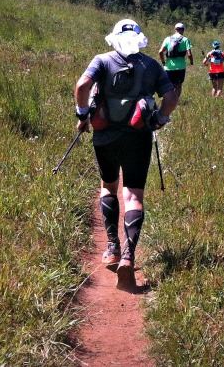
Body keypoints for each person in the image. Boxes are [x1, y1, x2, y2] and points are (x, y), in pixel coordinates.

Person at [74, 19, 177, 290]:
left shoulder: (102, 60)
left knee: (109, 188)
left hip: (105, 137)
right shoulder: (152, 66)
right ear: (140, 40)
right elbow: (171, 97)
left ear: (114, 38)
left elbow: (83, 86)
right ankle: (129, 255)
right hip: (138, 138)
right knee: (133, 195)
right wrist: (160, 118)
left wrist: (83, 115)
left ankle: (112, 247)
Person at [158, 23, 193, 96]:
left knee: (169, 86)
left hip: (169, 66)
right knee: (179, 86)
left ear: (175, 29)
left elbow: (160, 52)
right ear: (183, 30)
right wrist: (191, 61)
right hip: (181, 67)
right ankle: (176, 101)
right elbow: (189, 54)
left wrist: (163, 62)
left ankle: (169, 101)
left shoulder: (168, 39)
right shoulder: (185, 40)